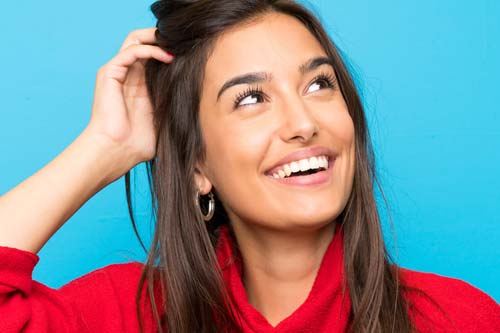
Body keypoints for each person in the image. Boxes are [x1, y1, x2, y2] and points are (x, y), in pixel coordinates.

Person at [0, 0, 499, 332]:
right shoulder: (132, 313)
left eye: (319, 84)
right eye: (251, 97)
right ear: (199, 167)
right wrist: (106, 147)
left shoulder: (455, 317)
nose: (302, 123)